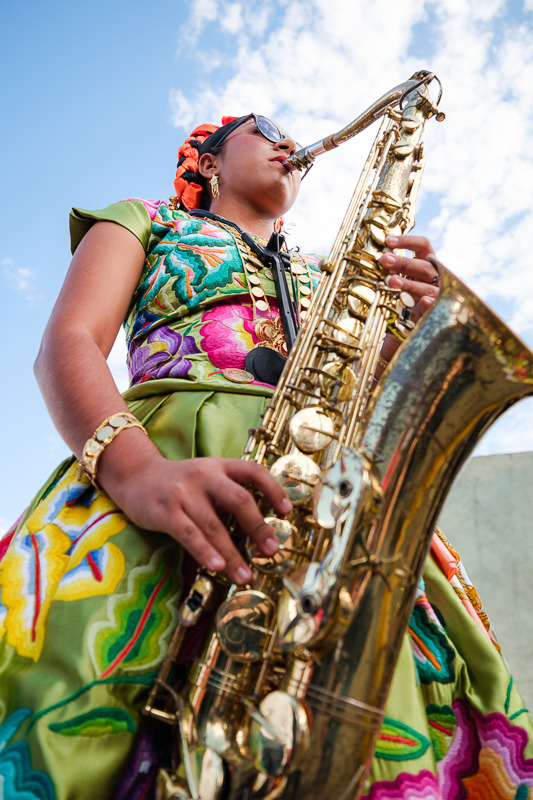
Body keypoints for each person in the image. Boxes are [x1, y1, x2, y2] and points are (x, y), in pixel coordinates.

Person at [0, 112, 532, 800]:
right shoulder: (148, 219)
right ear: (208, 162)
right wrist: (136, 472)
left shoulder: (329, 270)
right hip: (161, 466)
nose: (290, 145)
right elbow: (68, 342)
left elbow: (371, 399)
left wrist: (415, 327)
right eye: (264, 129)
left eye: (292, 140)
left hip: (334, 507)